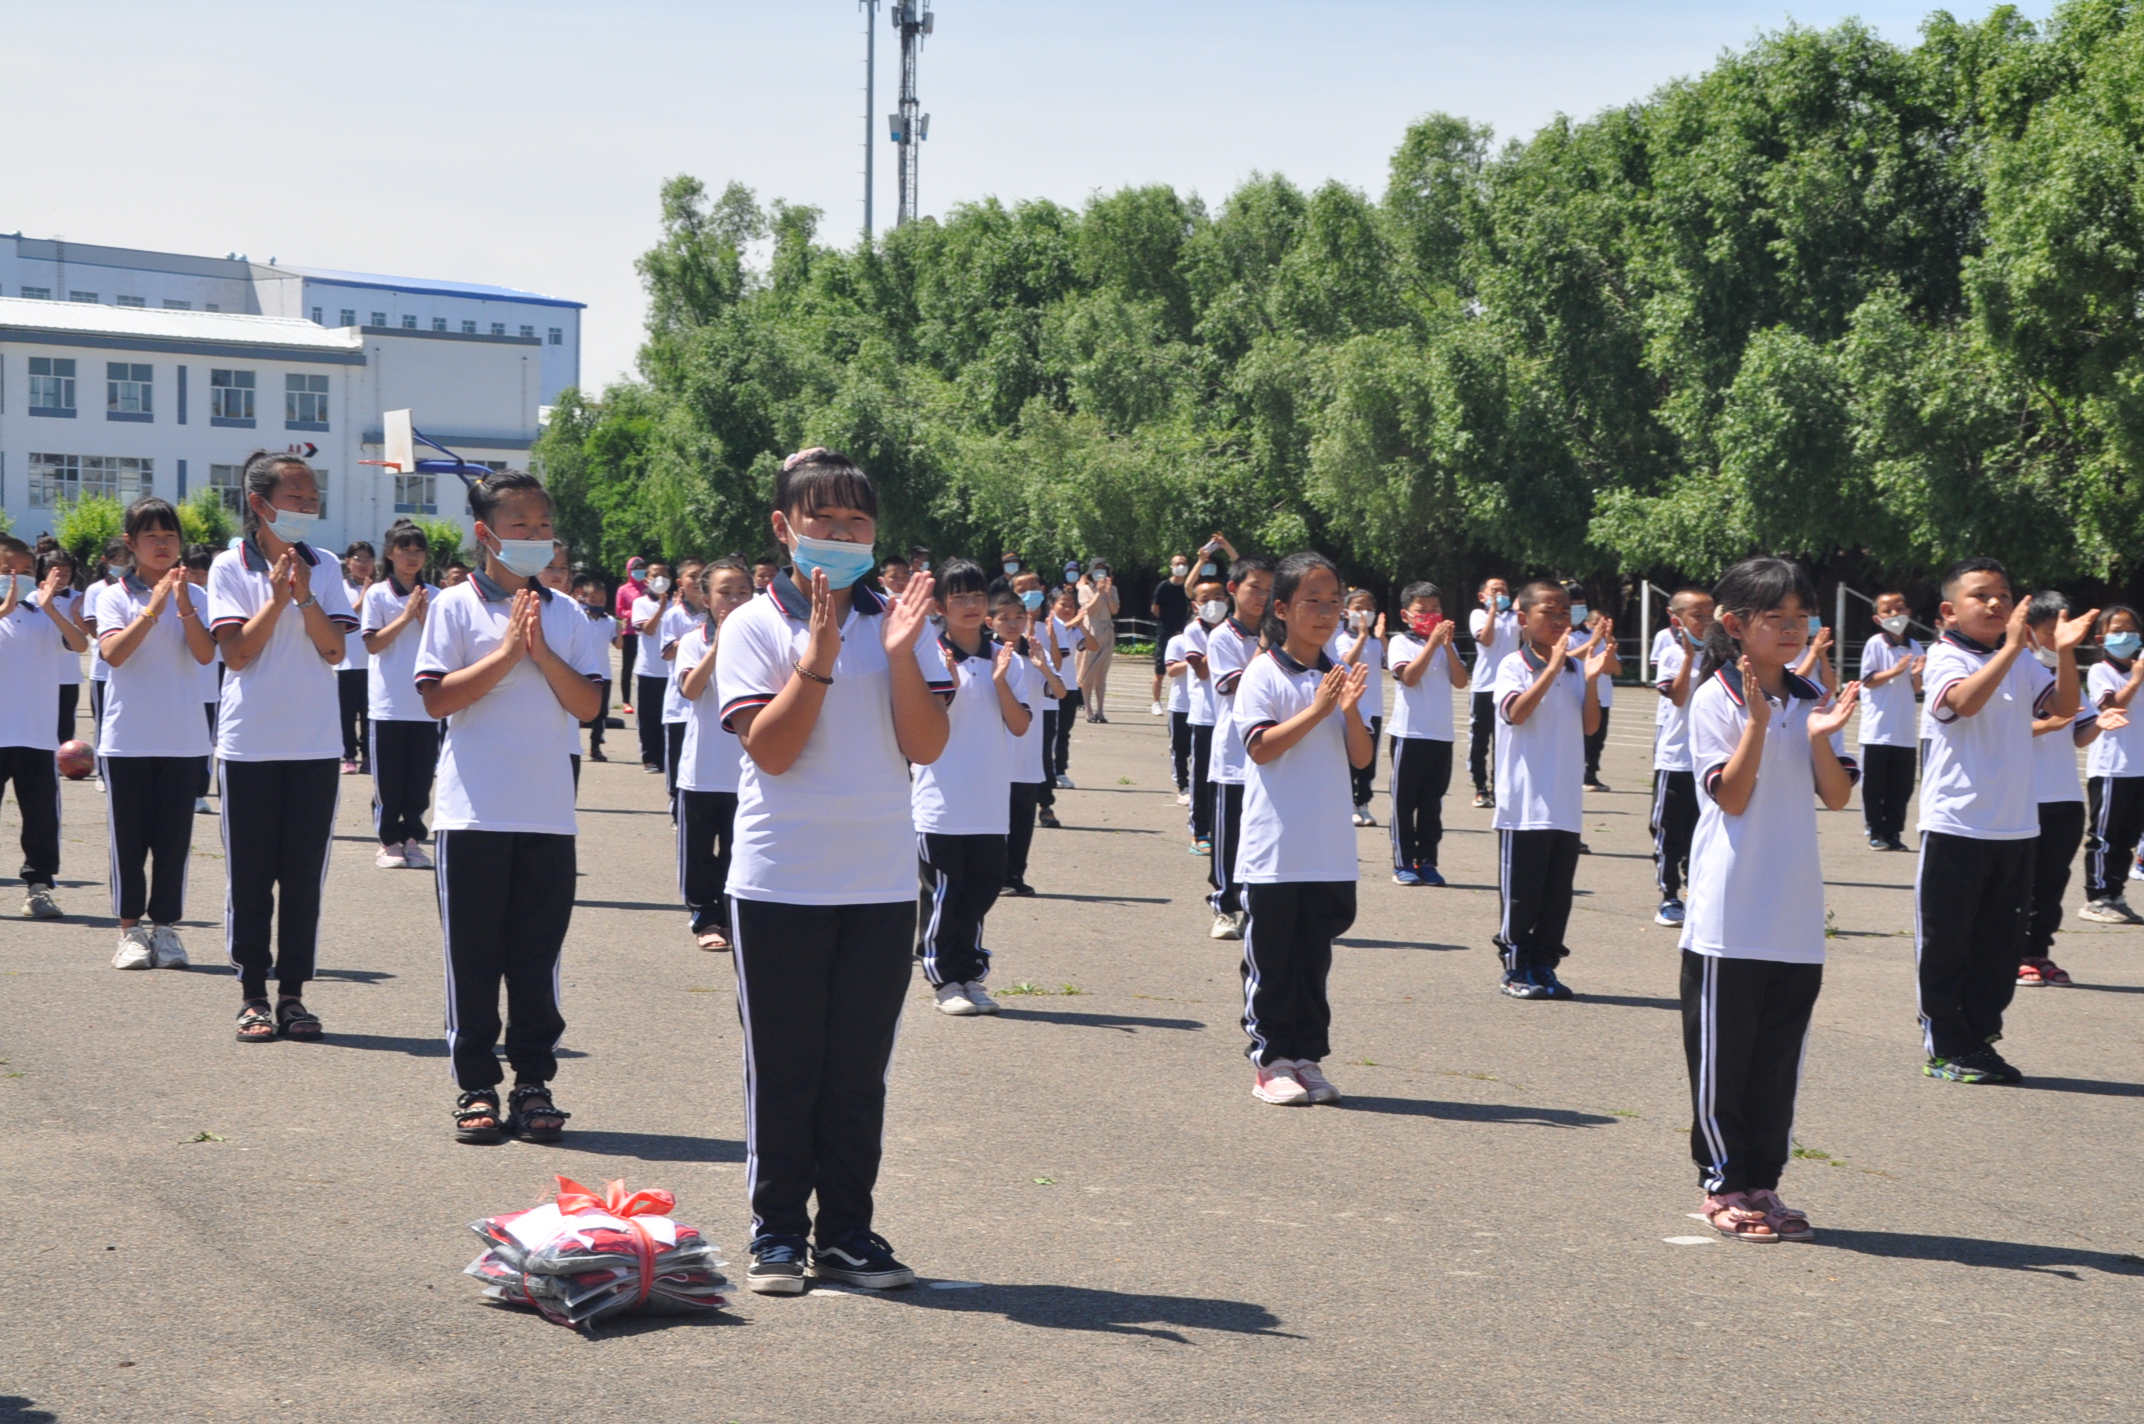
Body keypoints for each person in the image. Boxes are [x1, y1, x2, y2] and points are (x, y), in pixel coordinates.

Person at [716, 448, 948, 1295]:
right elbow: (772, 752)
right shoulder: (752, 624)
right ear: (785, 529)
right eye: (825, 520)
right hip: (780, 881)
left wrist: (893, 656)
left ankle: (848, 1232)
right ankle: (776, 1233)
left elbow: (926, 747)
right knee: (785, 1068)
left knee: (857, 1072)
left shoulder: (900, 623)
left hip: (881, 882)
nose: (843, 534)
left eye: (858, 521)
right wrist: (816, 658)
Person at [1680, 556, 1861, 1243]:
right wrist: (1758, 723)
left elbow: (1839, 795)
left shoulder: (1814, 694)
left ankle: (1764, 1181)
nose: (1792, 629)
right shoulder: (1716, 698)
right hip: (1730, 913)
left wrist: (1816, 736)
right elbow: (1731, 794)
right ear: (1735, 625)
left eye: (1800, 617)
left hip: (1793, 910)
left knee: (1778, 1061)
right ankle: (1722, 1183)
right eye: (1775, 617)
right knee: (1724, 1061)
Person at [417, 470, 602, 1145]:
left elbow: (587, 705)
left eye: (542, 524)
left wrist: (541, 651)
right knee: (473, 956)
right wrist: (504, 653)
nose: (533, 536)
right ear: (485, 532)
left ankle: (532, 1081)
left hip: (548, 813)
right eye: (518, 524)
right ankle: (474, 1084)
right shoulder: (452, 606)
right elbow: (437, 699)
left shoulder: (569, 615)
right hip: (472, 814)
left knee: (534, 957)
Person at [1915, 557, 2091, 1084]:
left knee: (1998, 946)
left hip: (2016, 826)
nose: (1996, 603)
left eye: (2004, 594)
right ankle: (1945, 1046)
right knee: (1948, 944)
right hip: (1957, 825)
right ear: (1949, 611)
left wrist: (2063, 653)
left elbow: (2064, 707)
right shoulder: (1946, 655)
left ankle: (1979, 1040)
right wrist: (2015, 647)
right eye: (1982, 595)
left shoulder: (2021, 660)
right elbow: (1960, 706)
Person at [207, 451, 358, 1044]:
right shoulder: (228, 565)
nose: (308, 506)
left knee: (301, 878)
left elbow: (334, 651)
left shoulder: (325, 566)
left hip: (315, 745)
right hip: (248, 746)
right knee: (250, 875)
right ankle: (251, 994)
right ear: (260, 504)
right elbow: (237, 654)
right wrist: (273, 598)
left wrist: (303, 596)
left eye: (312, 495)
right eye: (296, 496)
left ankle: (293, 993)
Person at [1236, 551, 1374, 1106]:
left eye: (1333, 601)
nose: (1324, 612)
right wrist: (1320, 708)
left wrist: (1349, 710)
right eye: (1311, 601)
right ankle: (1271, 1062)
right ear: (1283, 608)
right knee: (1272, 960)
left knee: (1314, 961)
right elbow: (1261, 748)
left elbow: (1362, 759)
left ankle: (1307, 1057)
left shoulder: (1339, 676)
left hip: (1328, 848)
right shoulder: (1263, 671)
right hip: (1276, 849)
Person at [97, 497, 217, 969]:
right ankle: (130, 931)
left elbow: (207, 656)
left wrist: (183, 606)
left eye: (170, 536)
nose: (163, 544)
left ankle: (166, 929)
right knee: (129, 839)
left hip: (184, 738)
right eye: (152, 536)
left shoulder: (200, 596)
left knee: (173, 841)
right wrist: (153, 607)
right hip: (127, 738)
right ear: (131, 543)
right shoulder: (112, 595)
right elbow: (114, 654)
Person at [912, 558, 1031, 1016]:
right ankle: (944, 979)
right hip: (940, 801)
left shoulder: (1006, 658)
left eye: (976, 597)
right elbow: (923, 721)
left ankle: (971, 974)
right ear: (940, 605)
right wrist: (950, 681)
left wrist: (1000, 681)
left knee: (979, 894)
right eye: (958, 597)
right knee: (945, 893)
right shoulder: (926, 655)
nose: (969, 605)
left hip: (987, 802)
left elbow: (1019, 725)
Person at [1491, 581, 1612, 999]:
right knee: (1522, 894)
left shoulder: (1575, 669)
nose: (1561, 620)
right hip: (1523, 804)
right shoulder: (1513, 665)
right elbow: (1516, 713)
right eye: (1550, 612)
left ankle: (1544, 965)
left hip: (1564, 803)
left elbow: (1590, 725)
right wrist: (1551, 668)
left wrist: (1591, 680)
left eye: (1566, 612)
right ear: (1524, 619)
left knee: (1556, 895)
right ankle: (1515, 968)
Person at [0, 535, 88, 920]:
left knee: (40, 817)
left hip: (36, 735)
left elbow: (79, 644)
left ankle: (38, 887)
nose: (15, 578)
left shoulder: (41, 612)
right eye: (6, 571)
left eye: (23, 570)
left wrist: (51, 607)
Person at [671, 559, 754, 950]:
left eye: (742, 591)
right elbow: (689, 689)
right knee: (700, 851)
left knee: (741, 848)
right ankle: (705, 915)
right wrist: (718, 647)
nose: (734, 599)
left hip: (748, 768)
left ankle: (733, 914)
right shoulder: (693, 641)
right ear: (706, 598)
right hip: (703, 769)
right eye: (725, 592)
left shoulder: (761, 639)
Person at [2021, 592, 2101, 986]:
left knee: (2051, 886)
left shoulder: (2067, 672)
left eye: (2065, 632)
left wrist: (2103, 721)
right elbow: (2005, 728)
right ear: (2030, 632)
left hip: (2065, 797)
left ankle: (2040, 953)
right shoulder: (2018, 667)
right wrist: (2049, 725)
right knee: (2021, 884)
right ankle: (2013, 955)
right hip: (2024, 797)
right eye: (2051, 632)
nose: (2059, 639)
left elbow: (2078, 734)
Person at [361, 520, 440, 870]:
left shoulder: (436, 596)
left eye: (418, 550)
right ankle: (388, 841)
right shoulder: (378, 594)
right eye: (404, 549)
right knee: (389, 781)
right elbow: (374, 643)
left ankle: (413, 840)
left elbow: (444, 645)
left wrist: (423, 619)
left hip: (426, 703)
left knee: (420, 780)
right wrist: (408, 616)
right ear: (390, 553)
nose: (412, 557)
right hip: (388, 704)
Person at [1205, 555, 1275, 941]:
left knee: (1263, 835)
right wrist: (1266, 644)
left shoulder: (1280, 632)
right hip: (1234, 756)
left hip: (1270, 754)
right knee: (1229, 836)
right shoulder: (1222, 638)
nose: (1262, 596)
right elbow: (1241, 683)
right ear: (1233, 589)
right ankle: (1225, 907)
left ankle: (1258, 905)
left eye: (1269, 589)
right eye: (1255, 588)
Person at [1385, 581, 1469, 887]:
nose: (1430, 615)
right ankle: (1403, 862)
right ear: (1406, 614)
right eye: (1423, 610)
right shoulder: (1401, 643)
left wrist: (1445, 645)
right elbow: (1408, 677)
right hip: (1410, 733)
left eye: (1435, 609)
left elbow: (1460, 681)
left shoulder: (1448, 645)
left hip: (1440, 735)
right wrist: (1432, 644)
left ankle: (1428, 861)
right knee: (1404, 803)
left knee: (1432, 805)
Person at [1651, 589, 1715, 926]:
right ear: (1677, 620)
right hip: (1676, 758)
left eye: (1710, 615)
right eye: (1698, 616)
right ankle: (1669, 896)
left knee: (1701, 831)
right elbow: (1677, 698)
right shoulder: (1672, 655)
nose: (1707, 622)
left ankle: (1698, 892)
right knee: (1668, 831)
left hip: (1708, 761)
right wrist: (1689, 658)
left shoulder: (1723, 654)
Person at [2078, 605, 2144, 923]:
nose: (2126, 636)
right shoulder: (2100, 671)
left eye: (2132, 630)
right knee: (2105, 835)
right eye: (2118, 631)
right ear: (2102, 638)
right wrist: (2136, 679)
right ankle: (2097, 897)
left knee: (2128, 837)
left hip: (2139, 766)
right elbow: (2112, 707)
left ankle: (2116, 894)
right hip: (2112, 767)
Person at [998, 588, 1062, 898]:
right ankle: (994, 875)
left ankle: (1015, 875)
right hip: (994, 757)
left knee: (1022, 822)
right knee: (996, 823)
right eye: (1004, 618)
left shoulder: (1035, 653)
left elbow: (1060, 693)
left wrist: (1043, 666)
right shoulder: (987, 653)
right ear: (990, 621)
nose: (1012, 624)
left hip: (1026, 757)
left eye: (1018, 618)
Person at [1857, 591, 1924, 852]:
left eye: (1900, 608)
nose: (1895, 615)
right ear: (1877, 617)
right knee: (1874, 786)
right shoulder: (1876, 643)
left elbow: (1916, 688)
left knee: (1901, 787)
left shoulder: (1915, 646)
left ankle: (1894, 832)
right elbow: (1868, 680)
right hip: (1877, 730)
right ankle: (1875, 831)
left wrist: (1916, 674)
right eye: (1888, 610)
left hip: (1904, 731)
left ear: (1909, 612)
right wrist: (1895, 671)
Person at [1181, 575, 1228, 852]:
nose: (1213, 604)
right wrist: (1219, 639)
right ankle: (1200, 831)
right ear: (1195, 605)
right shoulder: (1194, 631)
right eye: (1205, 600)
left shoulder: (1239, 629)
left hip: (1231, 713)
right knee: (1202, 775)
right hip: (1206, 714)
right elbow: (1201, 669)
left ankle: (1225, 826)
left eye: (1218, 598)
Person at [1331, 589, 1386, 825]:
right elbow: (1345, 664)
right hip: (1352, 707)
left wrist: (1380, 637)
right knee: (1350, 758)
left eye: (1368, 609)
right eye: (1358, 609)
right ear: (1346, 612)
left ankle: (1364, 803)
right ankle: (1349, 803)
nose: (1364, 614)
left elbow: (1390, 663)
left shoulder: (1376, 641)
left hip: (1375, 707)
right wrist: (1362, 637)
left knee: (1368, 760)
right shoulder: (1342, 639)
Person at [659, 557, 708, 804]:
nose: (698, 581)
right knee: (677, 757)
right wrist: (694, 638)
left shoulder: (716, 615)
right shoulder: (674, 615)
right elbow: (667, 651)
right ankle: (675, 803)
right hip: (678, 705)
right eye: (692, 576)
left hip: (706, 703)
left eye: (702, 575)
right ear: (680, 582)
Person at [1467, 578, 1517, 807]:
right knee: (1480, 740)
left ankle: (1501, 787)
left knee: (1505, 740)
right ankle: (1480, 786)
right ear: (1482, 596)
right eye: (1494, 590)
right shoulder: (1478, 615)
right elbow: (1486, 640)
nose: (1500, 593)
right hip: (1484, 686)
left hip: (1510, 686)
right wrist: (1493, 611)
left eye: (1503, 590)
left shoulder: (1516, 617)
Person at [181, 544, 222, 814]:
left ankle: (198, 792)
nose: (197, 578)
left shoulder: (211, 597)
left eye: (202, 573)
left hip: (208, 684)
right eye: (192, 572)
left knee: (205, 741)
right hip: (180, 681)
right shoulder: (175, 594)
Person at [1567, 583, 1617, 791]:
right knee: (1581, 741)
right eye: (1574, 604)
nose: (1579, 608)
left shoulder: (1591, 634)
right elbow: (1562, 659)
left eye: (1582, 604)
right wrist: (1593, 642)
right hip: (1574, 696)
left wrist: (1607, 643)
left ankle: (1591, 774)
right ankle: (1576, 775)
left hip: (1601, 695)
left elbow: (1614, 668)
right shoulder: (1562, 635)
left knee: (1598, 740)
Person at [630, 561, 677, 774]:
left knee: (668, 717)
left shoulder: (678, 603)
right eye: (655, 575)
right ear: (647, 579)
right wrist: (661, 606)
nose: (660, 578)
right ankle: (650, 758)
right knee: (649, 717)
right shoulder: (641, 602)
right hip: (649, 669)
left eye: (664, 574)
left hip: (671, 670)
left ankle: (667, 758)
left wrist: (671, 603)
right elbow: (648, 629)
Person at [335, 541, 376, 775]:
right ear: (348, 562)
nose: (363, 564)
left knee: (370, 714)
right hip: (346, 663)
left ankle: (368, 756)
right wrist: (363, 597)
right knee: (347, 715)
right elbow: (344, 615)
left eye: (368, 559)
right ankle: (349, 755)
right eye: (358, 559)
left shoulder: (380, 588)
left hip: (372, 663)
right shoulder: (340, 587)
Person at [571, 572, 621, 762]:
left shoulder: (609, 621)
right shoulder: (579, 616)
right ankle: (573, 743)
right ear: (584, 597)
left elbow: (618, 645)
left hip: (603, 672)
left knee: (600, 713)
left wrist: (620, 631)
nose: (597, 603)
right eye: (593, 599)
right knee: (575, 710)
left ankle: (596, 746)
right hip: (581, 670)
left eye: (601, 600)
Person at [1045, 584, 1087, 790]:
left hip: (1069, 686)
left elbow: (1092, 645)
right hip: (1048, 686)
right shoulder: (1046, 626)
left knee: (1064, 731)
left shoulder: (1072, 628)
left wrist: (1081, 625)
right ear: (1052, 606)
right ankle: (1046, 770)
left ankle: (1060, 770)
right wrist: (1072, 623)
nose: (1069, 608)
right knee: (1047, 731)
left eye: (1072, 605)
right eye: (1064, 604)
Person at [41, 548, 85, 743]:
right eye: (57, 574)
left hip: (67, 674)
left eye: (67, 574)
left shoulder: (78, 598)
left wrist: (77, 613)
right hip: (39, 673)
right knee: (41, 724)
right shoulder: (33, 599)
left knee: (65, 726)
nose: (62, 579)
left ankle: (63, 766)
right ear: (44, 571)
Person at [1150, 549, 1198, 716]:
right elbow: (1155, 608)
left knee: (1185, 666)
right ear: (1171, 566)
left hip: (1184, 631)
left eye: (1184, 564)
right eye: (1178, 564)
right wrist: (1166, 621)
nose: (1181, 567)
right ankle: (1156, 701)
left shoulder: (1189, 588)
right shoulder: (1164, 586)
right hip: (1165, 631)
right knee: (1160, 669)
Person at [1077, 559, 1120, 722]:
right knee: (1088, 673)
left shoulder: (1113, 589)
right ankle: (1088, 709)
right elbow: (1089, 609)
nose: (1100, 572)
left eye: (1103, 569)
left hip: (1107, 631)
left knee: (1101, 675)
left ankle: (1100, 710)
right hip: (1091, 631)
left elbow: (1114, 610)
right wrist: (1098, 593)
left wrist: (1108, 594)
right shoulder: (1085, 589)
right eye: (1097, 569)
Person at [614, 557, 648, 712]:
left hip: (646, 633)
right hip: (630, 633)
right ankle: (626, 701)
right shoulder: (623, 589)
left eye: (642, 568)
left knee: (645, 668)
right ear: (629, 570)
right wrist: (634, 613)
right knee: (627, 668)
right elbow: (619, 610)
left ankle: (644, 699)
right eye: (636, 569)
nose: (639, 571)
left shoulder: (648, 588)